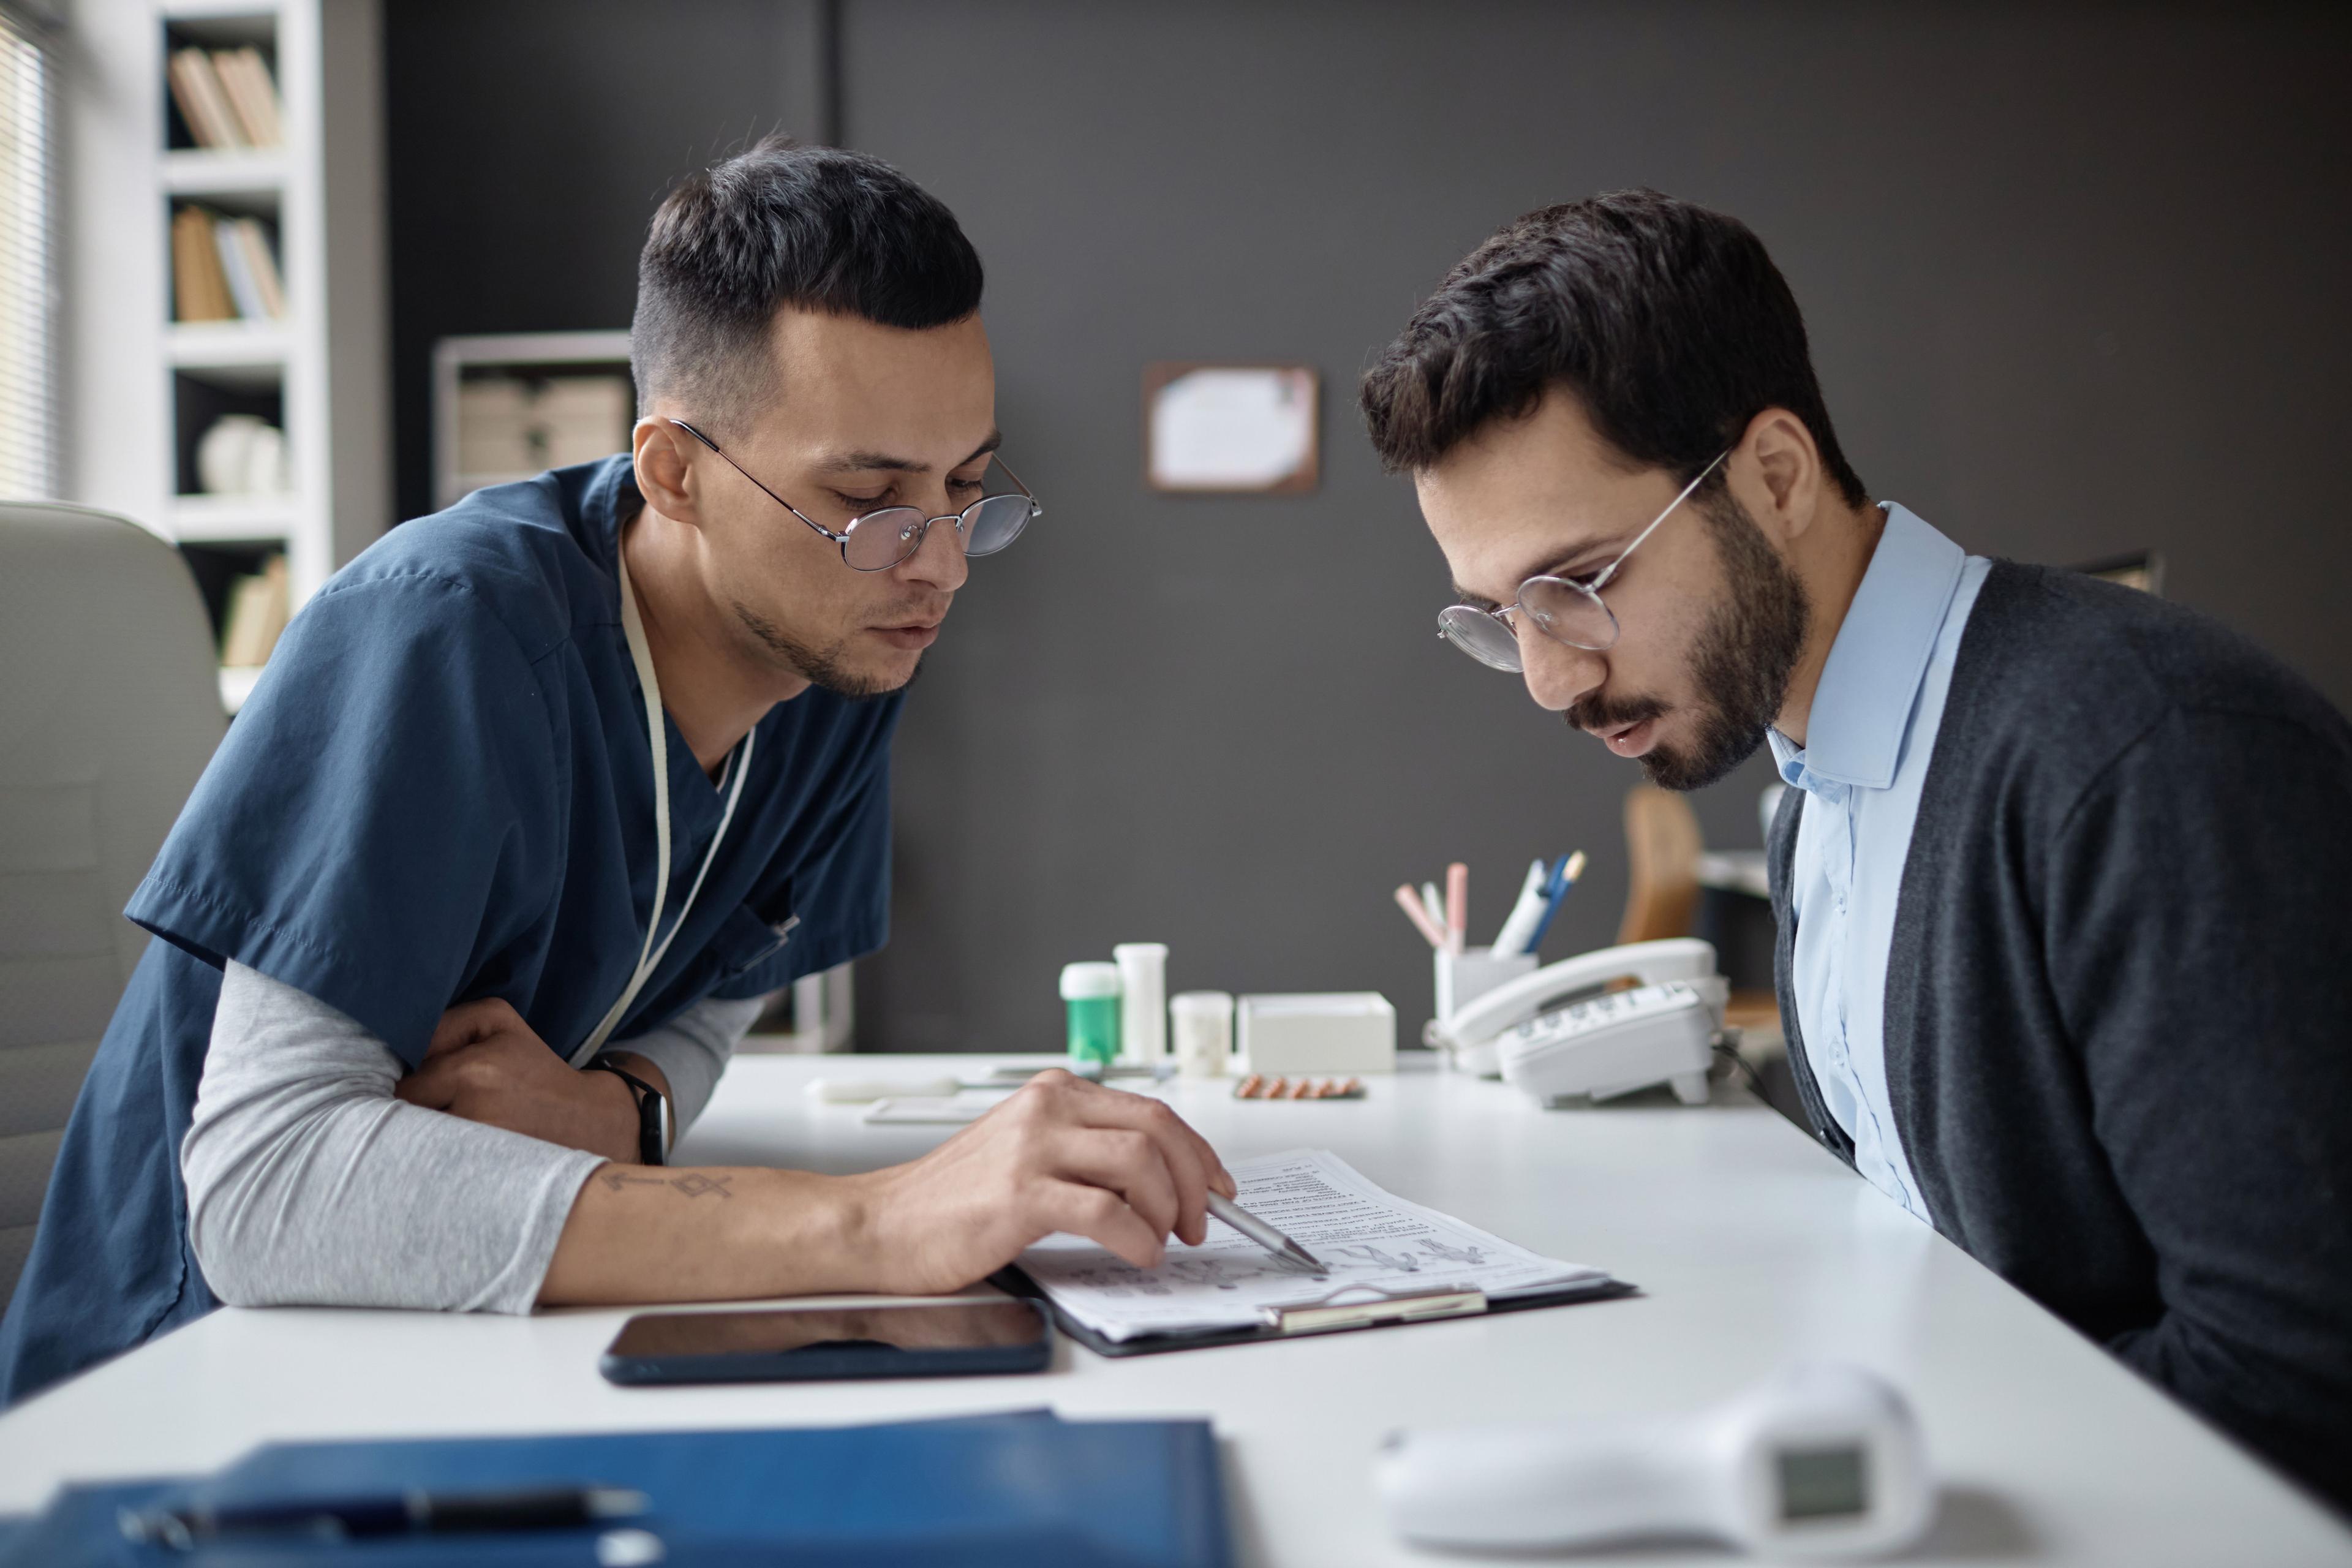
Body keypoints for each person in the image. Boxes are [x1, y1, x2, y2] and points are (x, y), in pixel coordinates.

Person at [0, 138, 1231, 1404]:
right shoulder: (442, 636)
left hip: (483, 1348)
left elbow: (732, 967)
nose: (940, 566)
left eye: (967, 490)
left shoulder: (842, 646)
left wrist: (629, 1108)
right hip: (191, 1385)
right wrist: (874, 1223)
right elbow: (267, 1188)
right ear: (674, 472)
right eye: (869, 500)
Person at [1359, 189, 2352, 1511]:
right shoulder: (1813, 794)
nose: (1547, 678)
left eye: (1580, 584)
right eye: (1498, 618)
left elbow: (2298, 1376)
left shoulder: (2144, 752)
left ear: (1775, 475)